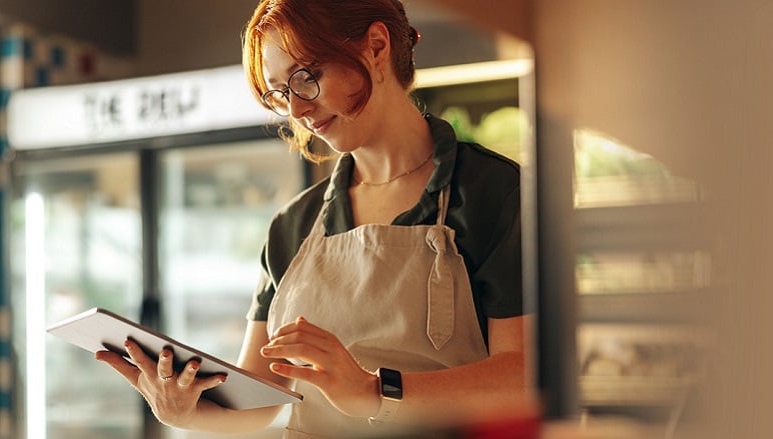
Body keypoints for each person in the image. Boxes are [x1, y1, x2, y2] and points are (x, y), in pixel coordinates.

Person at [96, 0, 534, 437]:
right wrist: (183, 410)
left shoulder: (492, 192)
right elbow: (261, 395)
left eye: (307, 78)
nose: (298, 111)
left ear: (376, 47)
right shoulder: (294, 224)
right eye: (280, 94)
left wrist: (376, 392)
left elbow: (523, 374)